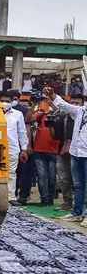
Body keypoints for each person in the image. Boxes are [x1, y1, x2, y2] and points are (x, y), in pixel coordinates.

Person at [44, 87, 87, 223]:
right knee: (78, 185)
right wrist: (53, 95)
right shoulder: (80, 111)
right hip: (76, 153)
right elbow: (64, 105)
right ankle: (77, 213)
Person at [0, 93, 29, 205]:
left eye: (7, 100)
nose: (5, 103)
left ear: (12, 101)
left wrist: (24, 149)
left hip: (12, 148)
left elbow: (22, 132)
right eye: (2, 100)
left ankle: (11, 197)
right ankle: (0, 196)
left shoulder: (18, 114)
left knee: (11, 173)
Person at [31, 97, 60, 206]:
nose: (44, 103)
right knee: (42, 176)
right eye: (43, 102)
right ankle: (44, 199)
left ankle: (51, 199)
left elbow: (60, 112)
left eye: (46, 102)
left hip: (53, 150)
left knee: (52, 177)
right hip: (39, 150)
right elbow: (31, 118)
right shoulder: (40, 115)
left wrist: (51, 105)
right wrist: (38, 109)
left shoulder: (56, 115)